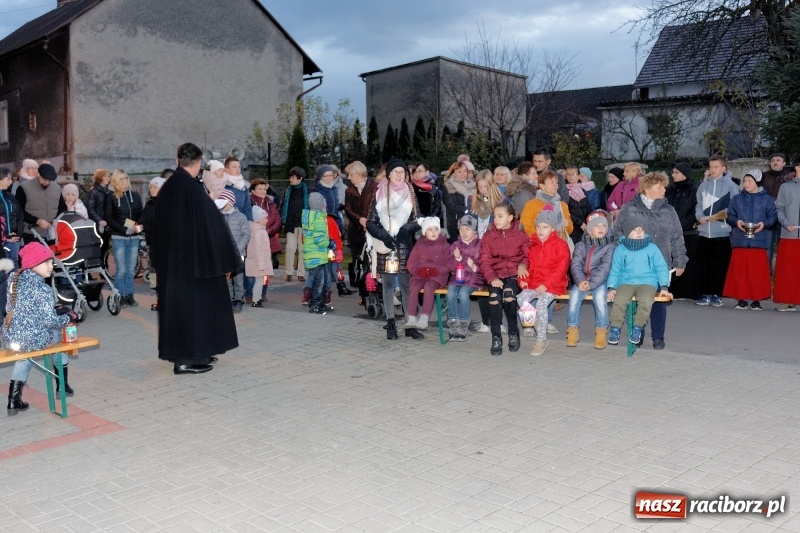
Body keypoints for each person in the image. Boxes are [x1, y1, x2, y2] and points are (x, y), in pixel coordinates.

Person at [151, 143, 241, 374]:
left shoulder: (170, 187)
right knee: (189, 310)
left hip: (178, 263)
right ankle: (184, 360)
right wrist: (224, 259)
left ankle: (199, 351)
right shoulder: (190, 189)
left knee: (195, 309)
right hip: (192, 264)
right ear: (199, 162)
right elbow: (212, 227)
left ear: (177, 159)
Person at [613, 172, 687, 349]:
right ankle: (637, 334)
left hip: (661, 263)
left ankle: (658, 337)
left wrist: (680, 260)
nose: (663, 190)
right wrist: (623, 255)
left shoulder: (669, 210)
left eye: (664, 186)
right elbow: (616, 234)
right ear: (646, 188)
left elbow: (677, 236)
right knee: (638, 299)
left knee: (659, 300)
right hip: (635, 264)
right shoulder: (629, 208)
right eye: (659, 186)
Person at [4, 243, 78, 415]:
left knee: (24, 357)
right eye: (47, 263)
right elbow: (51, 321)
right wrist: (69, 316)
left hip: (12, 338)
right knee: (59, 334)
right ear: (34, 264)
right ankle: (62, 384)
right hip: (33, 339)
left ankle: (13, 400)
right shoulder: (42, 289)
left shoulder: (14, 280)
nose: (51, 267)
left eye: (51, 263)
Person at [366, 157, 423, 341]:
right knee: (389, 285)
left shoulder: (411, 193)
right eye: (395, 171)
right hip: (387, 246)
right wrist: (384, 236)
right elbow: (371, 222)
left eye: (402, 172)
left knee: (407, 286)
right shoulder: (379, 194)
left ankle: (409, 324)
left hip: (405, 246)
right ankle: (391, 323)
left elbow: (418, 219)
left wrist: (407, 229)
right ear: (389, 174)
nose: (399, 175)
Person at [607, 217, 671, 346]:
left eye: (641, 229)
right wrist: (611, 287)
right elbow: (615, 269)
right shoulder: (621, 249)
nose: (638, 232)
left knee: (646, 301)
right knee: (619, 300)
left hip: (647, 282)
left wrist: (664, 286)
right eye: (634, 230)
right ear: (626, 233)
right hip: (626, 281)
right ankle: (615, 328)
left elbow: (661, 268)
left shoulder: (652, 248)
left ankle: (637, 327)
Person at [518, 205, 571, 356]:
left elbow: (560, 270)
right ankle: (533, 324)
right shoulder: (533, 244)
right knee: (522, 298)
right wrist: (524, 281)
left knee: (541, 304)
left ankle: (541, 340)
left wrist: (546, 285)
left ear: (553, 229)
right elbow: (530, 266)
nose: (540, 230)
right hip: (535, 282)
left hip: (554, 284)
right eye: (539, 226)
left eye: (545, 227)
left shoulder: (560, 245)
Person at [723, 170, 777, 310]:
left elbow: (773, 218)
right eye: (745, 180)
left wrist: (763, 224)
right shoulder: (737, 199)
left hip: (759, 241)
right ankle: (740, 299)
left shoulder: (768, 199)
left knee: (757, 272)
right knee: (740, 271)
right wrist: (737, 222)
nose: (746, 184)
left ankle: (756, 300)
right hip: (740, 240)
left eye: (750, 181)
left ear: (757, 182)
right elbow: (729, 216)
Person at [480, 203, 529, 356]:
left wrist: (523, 265)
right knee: (494, 297)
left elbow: (528, 255)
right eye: (495, 216)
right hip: (496, 275)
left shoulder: (520, 234)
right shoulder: (489, 235)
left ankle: (513, 333)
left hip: (515, 274)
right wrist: (492, 277)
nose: (496, 219)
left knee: (509, 295)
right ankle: (496, 337)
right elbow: (484, 260)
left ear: (510, 218)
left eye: (500, 216)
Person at [566, 210, 616, 350]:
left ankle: (601, 331)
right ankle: (572, 329)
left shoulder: (610, 246)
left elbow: (605, 267)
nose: (601, 228)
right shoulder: (581, 245)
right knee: (574, 297)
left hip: (599, 281)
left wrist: (592, 283)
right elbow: (575, 264)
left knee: (600, 298)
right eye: (597, 225)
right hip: (582, 279)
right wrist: (580, 281)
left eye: (604, 226)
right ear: (589, 229)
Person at [694, 155, 739, 307]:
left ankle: (717, 294)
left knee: (719, 265)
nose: (713, 169)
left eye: (716, 167)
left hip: (722, 232)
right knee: (704, 264)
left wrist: (720, 216)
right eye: (711, 167)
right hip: (704, 231)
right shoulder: (703, 185)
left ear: (723, 168)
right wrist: (700, 216)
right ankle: (704, 293)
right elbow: (698, 205)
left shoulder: (731, 186)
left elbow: (734, 207)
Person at [104, 169, 143, 307]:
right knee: (121, 269)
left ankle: (130, 295)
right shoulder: (111, 197)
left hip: (134, 237)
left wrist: (137, 225)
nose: (124, 181)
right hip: (119, 237)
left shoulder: (135, 195)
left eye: (125, 178)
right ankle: (119, 295)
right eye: (120, 179)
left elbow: (140, 213)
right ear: (115, 181)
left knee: (130, 268)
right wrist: (124, 230)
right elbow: (109, 217)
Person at [405, 217, 450, 331]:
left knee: (429, 287)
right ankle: (412, 317)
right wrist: (418, 271)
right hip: (420, 274)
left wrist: (437, 271)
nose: (434, 232)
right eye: (430, 229)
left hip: (437, 276)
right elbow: (411, 263)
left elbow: (449, 264)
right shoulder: (419, 246)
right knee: (414, 287)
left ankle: (424, 318)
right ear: (424, 232)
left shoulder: (445, 246)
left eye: (436, 229)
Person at [313, 165, 351, 297]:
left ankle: (340, 284)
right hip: (324, 226)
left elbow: (335, 208)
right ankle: (321, 288)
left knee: (337, 258)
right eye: (326, 176)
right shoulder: (317, 190)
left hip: (335, 223)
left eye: (331, 175)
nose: (329, 178)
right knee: (325, 261)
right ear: (320, 177)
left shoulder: (333, 189)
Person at [665, 162, 700, 299]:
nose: (673, 175)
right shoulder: (670, 190)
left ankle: (690, 291)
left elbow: (694, 210)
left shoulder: (694, 189)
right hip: (672, 232)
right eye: (673, 172)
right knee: (674, 261)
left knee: (689, 261)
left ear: (684, 173)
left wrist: (681, 224)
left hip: (688, 232)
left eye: (676, 172)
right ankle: (675, 290)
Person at [446, 215, 482, 341]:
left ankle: (463, 326)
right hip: (457, 277)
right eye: (461, 230)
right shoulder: (456, 245)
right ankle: (453, 325)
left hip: (473, 278)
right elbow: (450, 267)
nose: (464, 232)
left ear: (474, 231)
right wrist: (457, 259)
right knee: (450, 293)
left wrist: (474, 266)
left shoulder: (480, 245)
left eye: (467, 229)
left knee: (462, 294)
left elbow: (484, 264)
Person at [774, 156, 800, 312]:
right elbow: (779, 210)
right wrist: (785, 223)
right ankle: (786, 300)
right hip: (789, 235)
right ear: (796, 167)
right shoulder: (786, 187)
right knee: (787, 270)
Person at [217, 190, 250, 313]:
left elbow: (246, 235)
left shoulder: (241, 217)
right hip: (224, 253)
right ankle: (229, 299)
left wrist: (237, 250)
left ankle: (239, 300)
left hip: (238, 253)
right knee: (227, 278)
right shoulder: (218, 216)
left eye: (224, 203)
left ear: (230, 202)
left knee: (238, 278)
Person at [16, 163, 66, 243]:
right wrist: (37, 221)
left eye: (49, 180)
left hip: (52, 233)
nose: (47, 183)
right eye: (44, 179)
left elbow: (63, 208)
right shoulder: (24, 188)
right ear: (38, 174)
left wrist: (56, 220)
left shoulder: (57, 188)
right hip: (31, 233)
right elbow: (19, 211)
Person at [303, 192, 333, 314]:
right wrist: (330, 243)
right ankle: (315, 305)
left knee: (322, 280)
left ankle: (320, 303)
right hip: (317, 254)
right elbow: (320, 239)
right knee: (319, 282)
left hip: (313, 254)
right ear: (322, 205)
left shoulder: (310, 217)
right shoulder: (319, 219)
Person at [519, 170, 573, 240]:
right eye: (551, 182)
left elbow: (569, 231)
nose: (555, 185)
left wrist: (567, 225)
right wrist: (541, 239)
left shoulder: (562, 205)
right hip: (539, 245)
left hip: (558, 246)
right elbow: (525, 228)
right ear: (542, 186)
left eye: (556, 182)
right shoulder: (532, 204)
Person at [761, 153, 791, 270]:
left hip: (784, 218)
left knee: (784, 250)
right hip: (767, 217)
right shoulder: (763, 176)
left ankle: (783, 275)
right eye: (773, 160)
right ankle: (767, 276)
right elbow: (760, 193)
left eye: (778, 160)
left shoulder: (789, 177)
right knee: (767, 248)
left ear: (784, 163)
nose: (775, 162)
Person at [140, 177, 165, 311]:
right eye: (151, 187)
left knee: (165, 273)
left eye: (155, 187)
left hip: (165, 245)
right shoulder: (149, 204)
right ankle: (158, 300)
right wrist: (138, 226)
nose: (152, 189)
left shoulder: (167, 204)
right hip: (152, 245)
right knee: (154, 273)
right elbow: (143, 220)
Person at [344, 160, 378, 258]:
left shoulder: (376, 188)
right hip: (356, 231)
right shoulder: (349, 190)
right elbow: (348, 209)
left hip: (373, 230)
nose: (348, 178)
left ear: (359, 174)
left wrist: (369, 220)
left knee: (371, 260)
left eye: (351, 175)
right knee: (356, 260)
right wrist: (359, 218)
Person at [282, 166, 308, 282]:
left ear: (300, 178)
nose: (291, 179)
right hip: (290, 223)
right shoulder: (288, 191)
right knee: (290, 248)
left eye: (293, 177)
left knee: (302, 249)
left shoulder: (307, 190)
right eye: (290, 177)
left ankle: (301, 273)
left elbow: (309, 207)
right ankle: (288, 271)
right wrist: (283, 221)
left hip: (303, 224)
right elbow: (282, 206)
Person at [245, 205, 273, 308]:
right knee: (259, 281)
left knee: (260, 281)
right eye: (264, 218)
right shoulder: (258, 232)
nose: (267, 220)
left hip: (257, 261)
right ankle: (256, 300)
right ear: (258, 220)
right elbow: (258, 250)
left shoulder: (258, 230)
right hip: (258, 262)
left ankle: (257, 299)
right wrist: (261, 264)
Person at [442, 161, 475, 243]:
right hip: (455, 224)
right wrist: (469, 210)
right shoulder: (449, 186)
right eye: (459, 171)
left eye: (464, 171)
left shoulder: (472, 185)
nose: (462, 174)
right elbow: (451, 206)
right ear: (453, 173)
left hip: (471, 222)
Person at [0, 168, 24, 268]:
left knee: (14, 266)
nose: (11, 182)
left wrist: (18, 233)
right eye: (8, 179)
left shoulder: (10, 196)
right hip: (3, 242)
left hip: (14, 241)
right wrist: (6, 236)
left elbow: (19, 215)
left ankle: (14, 284)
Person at [563, 166, 593, 244]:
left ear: (579, 176)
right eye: (568, 174)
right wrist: (580, 223)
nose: (570, 176)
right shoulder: (564, 191)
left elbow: (588, 207)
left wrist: (589, 220)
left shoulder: (582, 190)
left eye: (573, 174)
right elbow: (565, 210)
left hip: (584, 226)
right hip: (572, 226)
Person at [471, 170, 504, 238]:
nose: (482, 189)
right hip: (476, 241)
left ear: (491, 185)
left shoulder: (501, 202)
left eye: (485, 186)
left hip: (494, 240)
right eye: (480, 187)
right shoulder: (473, 200)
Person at [410, 162, 442, 226]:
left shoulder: (433, 187)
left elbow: (438, 205)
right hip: (418, 222)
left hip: (433, 221)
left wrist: (433, 218)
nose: (417, 173)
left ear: (427, 172)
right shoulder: (411, 187)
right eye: (415, 171)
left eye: (420, 171)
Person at [86, 168, 110, 233]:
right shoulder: (93, 191)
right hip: (97, 224)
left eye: (108, 176)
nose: (107, 178)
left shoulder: (108, 191)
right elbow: (90, 209)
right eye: (105, 176)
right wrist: (99, 220)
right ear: (99, 177)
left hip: (107, 224)